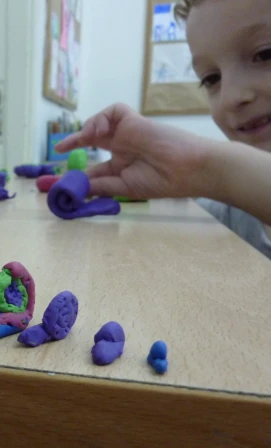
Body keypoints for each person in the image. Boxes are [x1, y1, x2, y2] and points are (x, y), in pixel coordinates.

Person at [55, 0, 271, 258]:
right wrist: (180, 178)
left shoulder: (222, 178)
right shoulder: (235, 213)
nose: (230, 97)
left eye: (265, 54)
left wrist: (203, 167)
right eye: (211, 78)